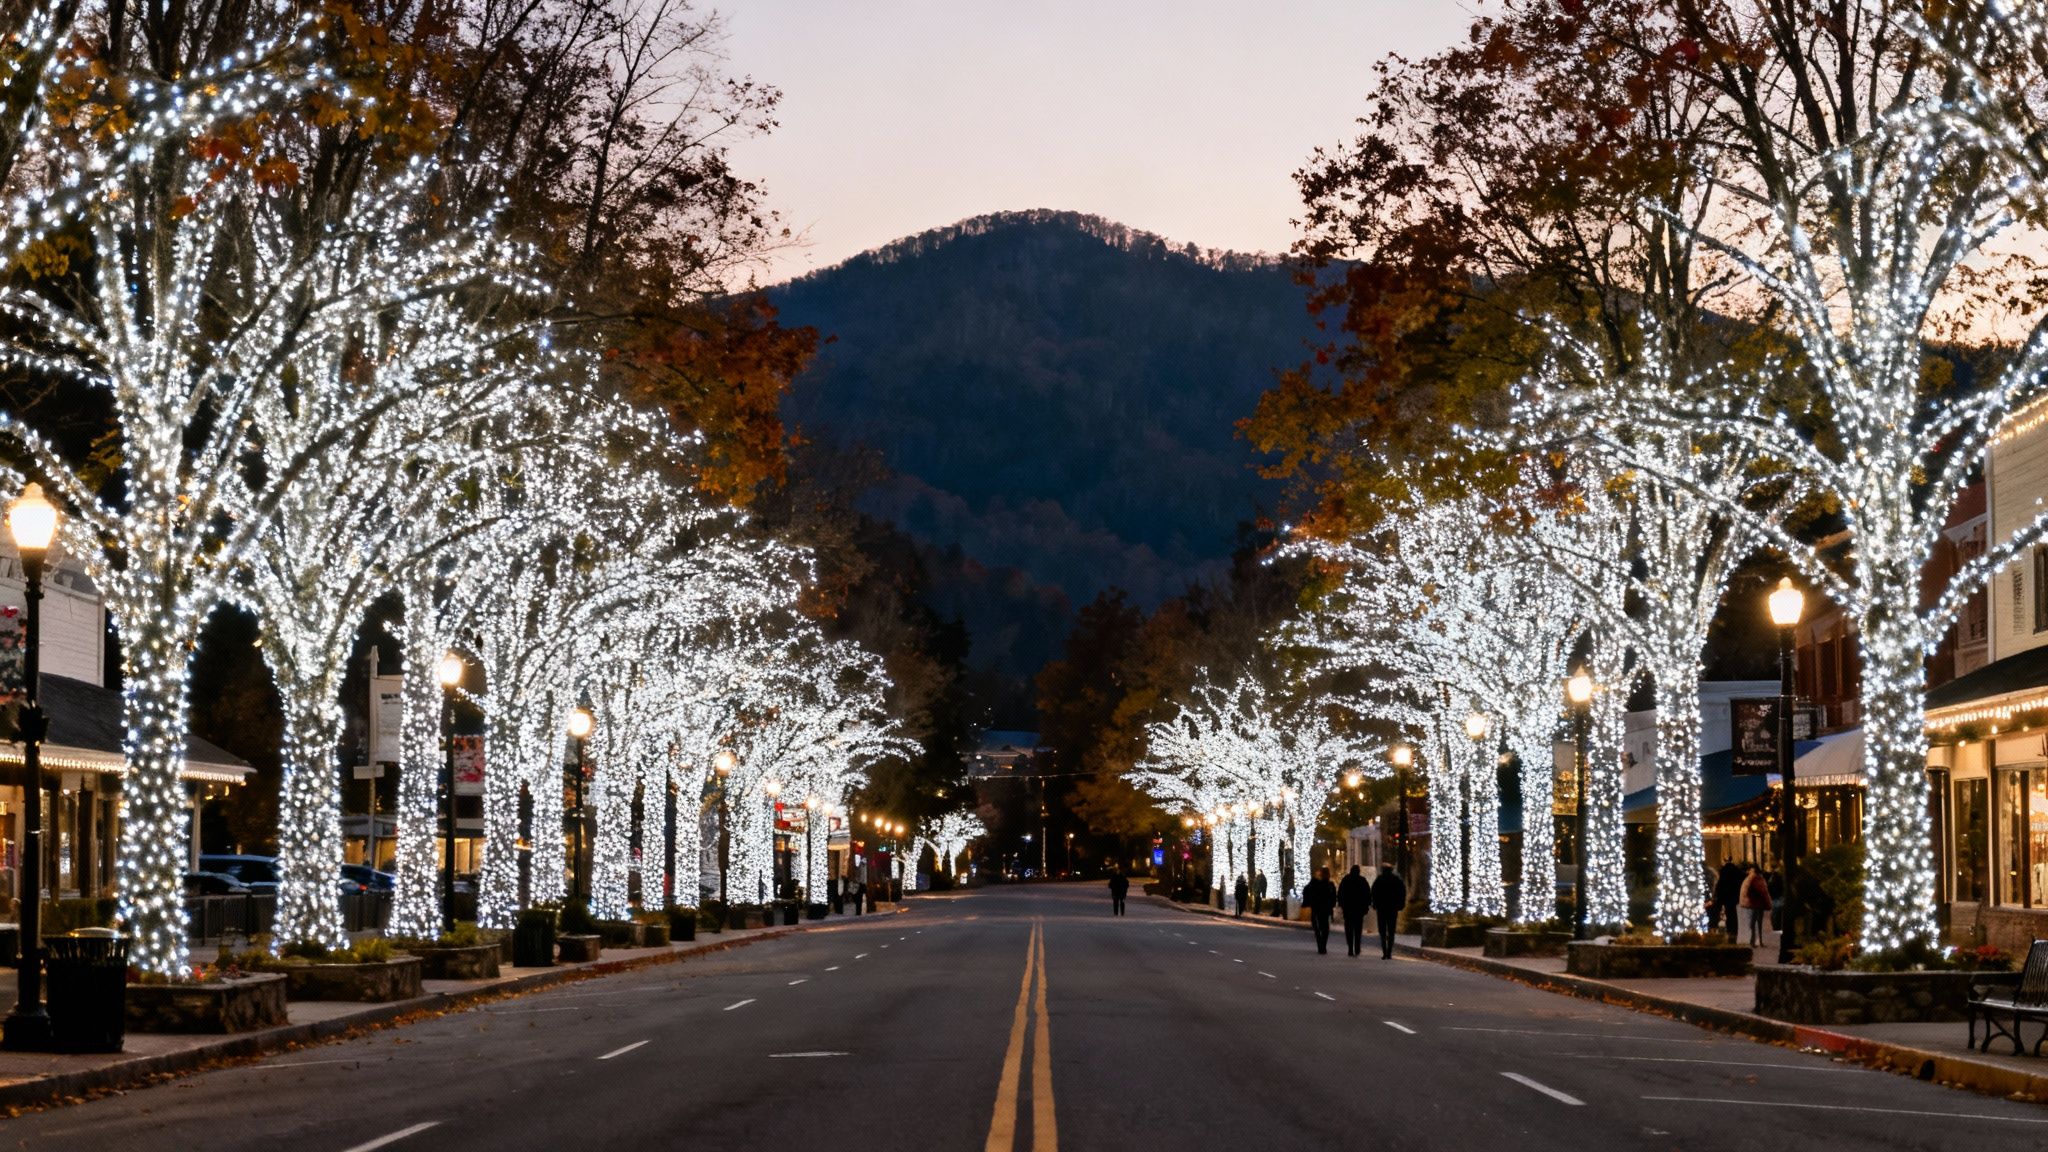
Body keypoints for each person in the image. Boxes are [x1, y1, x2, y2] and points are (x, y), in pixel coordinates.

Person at [1370, 863, 1406, 959]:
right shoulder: (1396, 880)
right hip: (1392, 908)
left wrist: (1374, 904)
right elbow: (1402, 892)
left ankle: (1384, 952)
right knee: (1391, 931)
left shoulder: (1379, 880)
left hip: (1381, 908)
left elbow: (1373, 892)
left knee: (1382, 931)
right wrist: (1400, 904)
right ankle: (1389, 952)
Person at [1302, 866, 1338, 954]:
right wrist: (1331, 906)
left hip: (1316, 908)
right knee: (1325, 928)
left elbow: (1307, 891)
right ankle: (1323, 945)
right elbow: (1333, 898)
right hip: (1326, 909)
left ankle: (1320, 945)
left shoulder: (1316, 884)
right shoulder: (1330, 885)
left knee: (1317, 928)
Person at [1337, 864, 1371, 957]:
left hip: (1348, 909)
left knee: (1349, 929)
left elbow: (1340, 893)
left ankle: (1350, 948)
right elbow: (1367, 894)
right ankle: (1357, 947)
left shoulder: (1346, 880)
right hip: (1359, 909)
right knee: (1358, 929)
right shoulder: (1362, 881)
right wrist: (1366, 907)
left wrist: (1341, 905)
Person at [1740, 863, 1772, 947]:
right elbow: (1764, 891)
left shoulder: (1751, 878)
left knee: (1753, 923)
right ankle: (1759, 941)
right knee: (1759, 923)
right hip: (1760, 903)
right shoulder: (1760, 878)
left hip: (1754, 903)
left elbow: (1748, 890)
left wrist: (1748, 899)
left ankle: (1753, 941)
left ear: (1753, 869)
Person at [1712, 860, 1745, 940]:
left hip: (1725, 898)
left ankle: (1726, 930)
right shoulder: (1737, 876)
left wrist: (1718, 899)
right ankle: (1734, 932)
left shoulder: (1723, 876)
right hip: (1734, 898)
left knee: (1726, 914)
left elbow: (1719, 888)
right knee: (1733, 915)